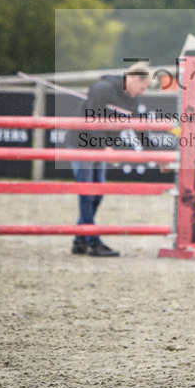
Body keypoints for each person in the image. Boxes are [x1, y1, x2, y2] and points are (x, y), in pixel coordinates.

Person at [68, 62, 151, 256]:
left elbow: (140, 128)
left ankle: (80, 239)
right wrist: (105, 147)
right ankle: (92, 241)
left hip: (101, 146)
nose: (142, 92)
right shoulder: (102, 88)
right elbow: (92, 119)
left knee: (98, 192)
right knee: (88, 193)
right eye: (143, 87)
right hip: (82, 142)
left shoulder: (132, 98)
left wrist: (157, 156)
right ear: (133, 79)